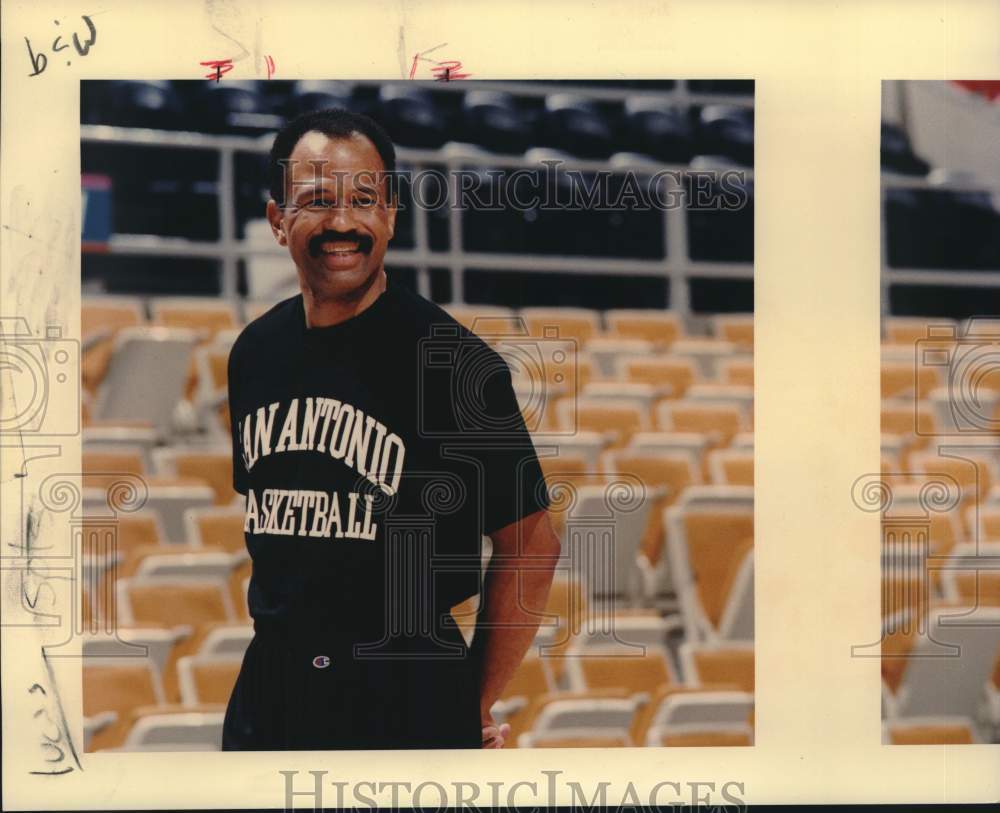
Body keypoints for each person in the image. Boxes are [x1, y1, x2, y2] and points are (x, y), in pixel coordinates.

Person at [222, 108, 561, 750]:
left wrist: (471, 700)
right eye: (317, 201)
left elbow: (533, 543)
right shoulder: (255, 352)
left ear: (392, 215)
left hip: (405, 687)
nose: (342, 222)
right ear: (277, 221)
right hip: (272, 686)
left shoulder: (454, 364)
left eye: (363, 200)